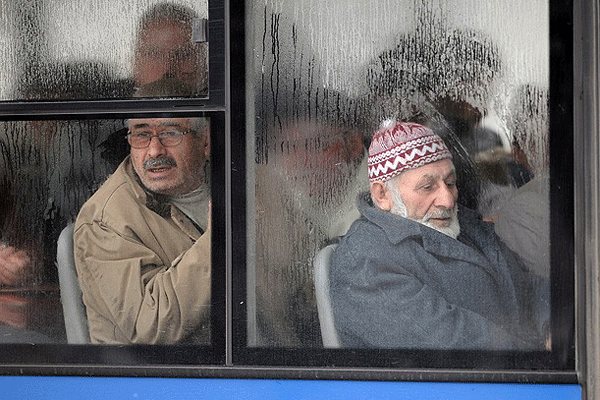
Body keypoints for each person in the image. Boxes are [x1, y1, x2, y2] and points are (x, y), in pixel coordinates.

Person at [329, 121, 548, 350]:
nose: (448, 200)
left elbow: (530, 283)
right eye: (427, 187)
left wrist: (552, 327)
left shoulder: (464, 226)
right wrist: (540, 356)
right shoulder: (365, 263)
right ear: (383, 195)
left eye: (450, 183)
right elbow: (454, 344)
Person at [74, 114, 211, 344]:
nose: (155, 151)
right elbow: (152, 324)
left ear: (205, 141)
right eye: (142, 134)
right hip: (161, 374)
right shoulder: (105, 219)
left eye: (170, 133)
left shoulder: (249, 180)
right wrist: (222, 235)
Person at [133, 2, 208, 96]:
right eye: (155, 55)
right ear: (136, 62)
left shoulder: (226, 97)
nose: (168, 69)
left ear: (202, 60)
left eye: (183, 55)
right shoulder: (113, 103)